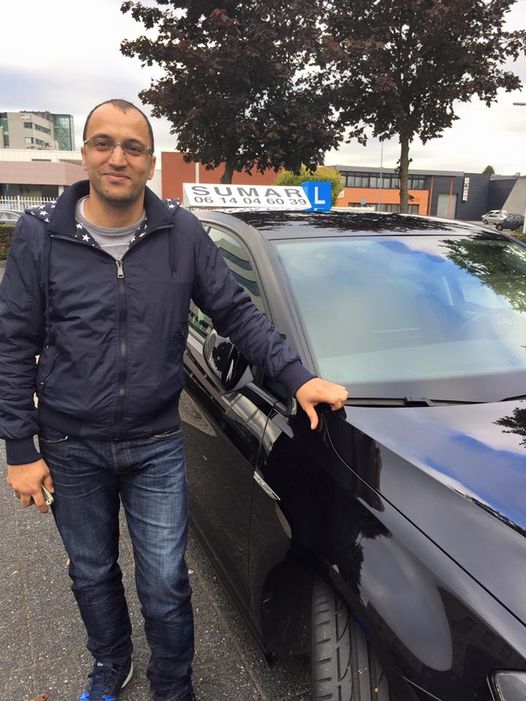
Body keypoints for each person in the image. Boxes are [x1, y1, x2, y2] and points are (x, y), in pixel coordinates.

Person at [0, 99, 348, 701]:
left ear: (150, 161)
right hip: (69, 442)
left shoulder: (180, 233)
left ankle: (173, 686)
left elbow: (236, 311)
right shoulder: (41, 236)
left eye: (133, 147)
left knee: (165, 582)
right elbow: (12, 344)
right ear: (85, 154)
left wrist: (296, 377)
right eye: (104, 143)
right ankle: (111, 663)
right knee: (91, 571)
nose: (118, 157)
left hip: (155, 442)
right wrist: (19, 449)